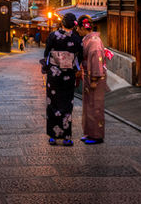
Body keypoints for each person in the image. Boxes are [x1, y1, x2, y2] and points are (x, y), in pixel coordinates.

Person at [41, 12, 82, 146]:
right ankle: (67, 137)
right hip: (68, 75)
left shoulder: (53, 36)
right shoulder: (77, 38)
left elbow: (46, 53)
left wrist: (49, 65)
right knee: (67, 104)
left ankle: (53, 136)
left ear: (62, 23)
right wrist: (73, 68)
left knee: (52, 103)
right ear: (74, 25)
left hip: (54, 74)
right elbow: (79, 57)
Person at [76, 15, 106, 145]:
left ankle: (96, 135)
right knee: (88, 105)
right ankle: (89, 132)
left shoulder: (93, 41)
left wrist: (94, 78)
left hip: (95, 76)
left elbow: (97, 60)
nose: (77, 30)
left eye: (78, 28)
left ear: (83, 27)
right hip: (88, 75)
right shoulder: (88, 39)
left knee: (96, 106)